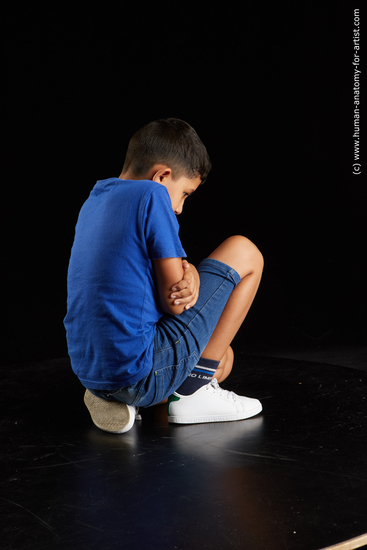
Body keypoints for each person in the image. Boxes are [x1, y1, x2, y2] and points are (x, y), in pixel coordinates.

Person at [64, 118, 264, 434]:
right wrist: (191, 274)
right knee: (246, 251)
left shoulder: (95, 198)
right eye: (185, 193)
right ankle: (192, 395)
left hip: (93, 370)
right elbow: (175, 302)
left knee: (223, 356)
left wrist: (191, 273)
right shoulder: (151, 194)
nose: (181, 208)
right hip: (139, 375)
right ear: (162, 175)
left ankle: (116, 398)